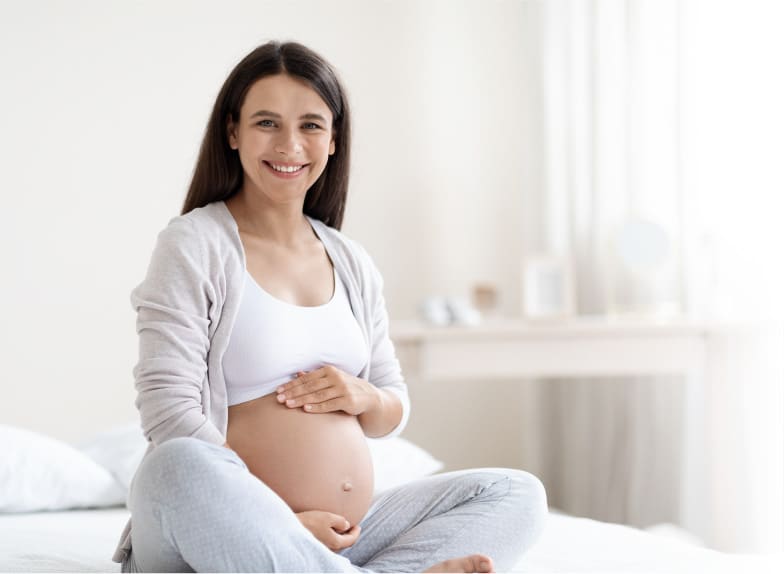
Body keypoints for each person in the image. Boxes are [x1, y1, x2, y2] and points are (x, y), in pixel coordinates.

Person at [113, 40, 547, 573]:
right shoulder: (194, 244)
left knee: (514, 492)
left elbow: (392, 407)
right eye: (267, 123)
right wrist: (273, 521)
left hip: (336, 539)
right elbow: (168, 412)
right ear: (233, 132)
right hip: (216, 536)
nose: (290, 144)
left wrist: (363, 395)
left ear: (334, 138)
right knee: (177, 464)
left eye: (311, 125)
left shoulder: (351, 260)